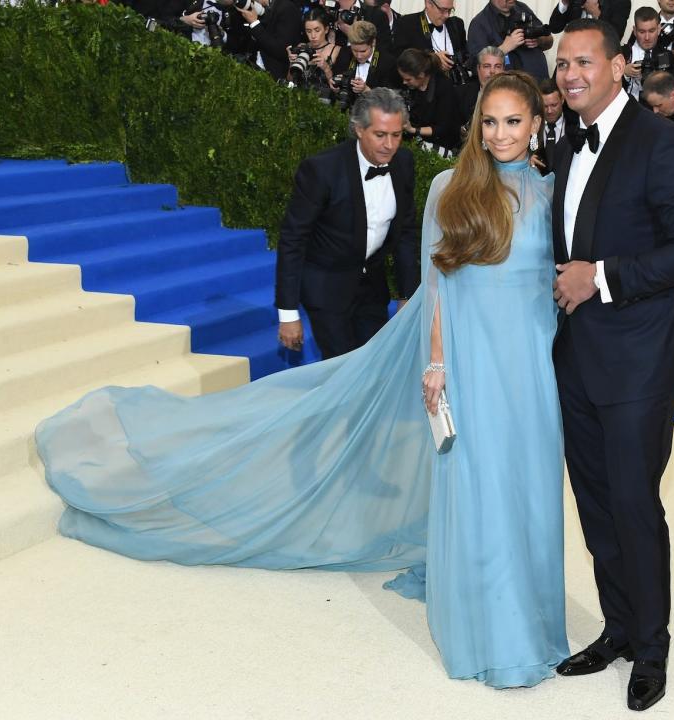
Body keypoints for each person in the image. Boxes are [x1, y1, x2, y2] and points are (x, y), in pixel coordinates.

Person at [37, 71, 570, 691]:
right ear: (476, 124)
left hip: (529, 369)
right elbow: (437, 288)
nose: (500, 133)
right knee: (477, 488)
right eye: (489, 120)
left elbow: (555, 285)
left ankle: (530, 618)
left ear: (537, 123)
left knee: (526, 489)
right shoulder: (450, 188)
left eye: (513, 121)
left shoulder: (552, 194)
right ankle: (491, 631)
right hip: (468, 362)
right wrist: (435, 364)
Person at [551, 18, 674, 712]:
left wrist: (605, 277)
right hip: (578, 357)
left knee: (633, 505)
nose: (570, 74)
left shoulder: (663, 143)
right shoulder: (564, 144)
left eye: (584, 61)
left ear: (619, 66)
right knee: (594, 505)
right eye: (562, 64)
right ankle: (618, 628)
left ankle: (651, 646)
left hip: (642, 359)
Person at [276, 89, 418, 359]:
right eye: (380, 134)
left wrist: (407, 294)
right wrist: (288, 313)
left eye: (397, 135)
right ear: (359, 129)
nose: (390, 145)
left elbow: (406, 232)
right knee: (342, 369)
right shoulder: (322, 170)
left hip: (371, 290)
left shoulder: (403, 163)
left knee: (374, 365)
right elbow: (293, 239)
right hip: (326, 288)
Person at [467, 0, 553, 81]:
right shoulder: (479, 24)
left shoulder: (523, 8)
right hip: (510, 90)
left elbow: (549, 40)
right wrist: (503, 49)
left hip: (540, 84)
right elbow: (475, 66)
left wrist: (539, 40)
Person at [397, 49, 462, 154]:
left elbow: (443, 128)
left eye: (408, 80)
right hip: (418, 143)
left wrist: (413, 130)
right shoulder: (411, 89)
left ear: (421, 75)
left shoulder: (443, 87)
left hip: (444, 146)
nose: (404, 82)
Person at [393, 0, 470, 86]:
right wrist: (432, 59)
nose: (446, 15)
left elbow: (465, 54)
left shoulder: (457, 24)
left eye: (450, 10)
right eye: (443, 10)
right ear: (428, 3)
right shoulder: (407, 24)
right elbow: (400, 60)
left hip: (456, 88)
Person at [331, 20, 399, 98]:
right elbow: (336, 78)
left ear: (373, 42)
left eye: (363, 51)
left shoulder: (388, 62)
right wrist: (334, 84)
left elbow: (391, 98)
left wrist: (367, 90)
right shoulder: (345, 53)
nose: (359, 56)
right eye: (355, 50)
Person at [239, 0, 303, 81]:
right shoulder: (261, 8)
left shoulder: (286, 8)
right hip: (254, 69)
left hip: (275, 77)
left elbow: (281, 49)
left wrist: (254, 23)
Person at [456, 46, 505, 132]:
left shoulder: (514, 96)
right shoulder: (460, 94)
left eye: (497, 66)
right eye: (487, 66)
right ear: (478, 69)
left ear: (503, 70)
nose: (492, 71)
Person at [548, 0, 630, 39]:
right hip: (570, 55)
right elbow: (554, 28)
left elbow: (616, 37)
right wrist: (564, 3)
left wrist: (596, 13)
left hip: (596, 60)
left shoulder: (621, 2)